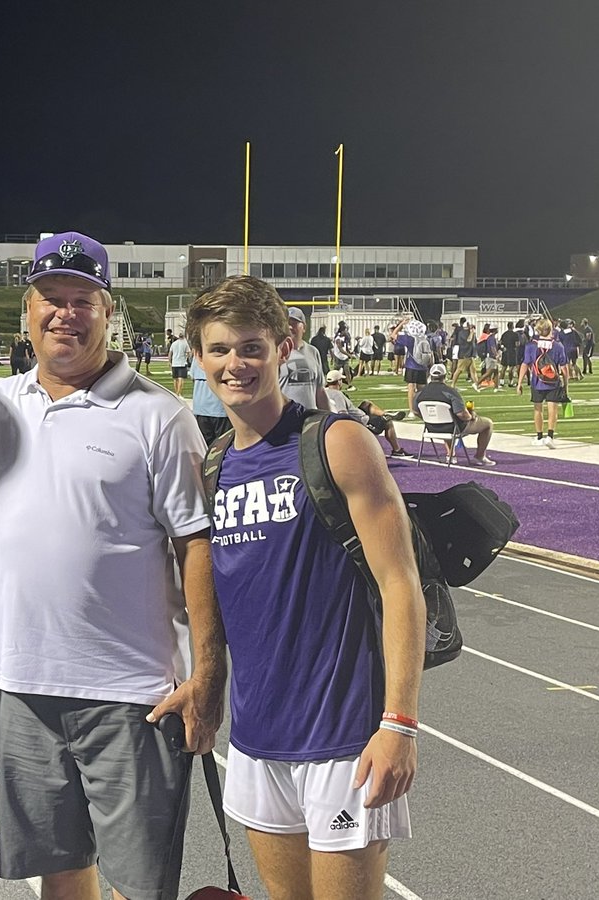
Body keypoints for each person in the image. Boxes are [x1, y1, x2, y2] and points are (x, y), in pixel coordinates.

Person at [0, 231, 219, 900]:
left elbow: (196, 545)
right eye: (51, 298)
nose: (66, 314)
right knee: (60, 872)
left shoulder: (160, 416)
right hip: (25, 683)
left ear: (109, 311)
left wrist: (209, 672)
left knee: (139, 885)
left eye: (83, 300)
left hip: (134, 691)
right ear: (27, 310)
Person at [184, 275, 425, 900]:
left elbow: (400, 584)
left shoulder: (336, 442)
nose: (235, 365)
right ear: (198, 357)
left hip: (342, 737)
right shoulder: (215, 464)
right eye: (219, 349)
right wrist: (206, 679)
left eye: (251, 348)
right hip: (257, 739)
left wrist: (400, 723)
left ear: (284, 348)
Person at [415, 363, 496, 466]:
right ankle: (479, 457)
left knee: (446, 419)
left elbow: (415, 411)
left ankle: (450, 454)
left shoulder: (420, 393)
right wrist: (471, 416)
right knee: (488, 424)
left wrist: (429, 419)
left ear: (431, 376)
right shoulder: (450, 392)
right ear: (445, 376)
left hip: (431, 428)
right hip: (452, 428)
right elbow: (462, 414)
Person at [324, 370, 414, 459]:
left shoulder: (324, 392)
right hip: (360, 421)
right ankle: (397, 450)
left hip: (351, 417)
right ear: (339, 382)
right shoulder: (338, 395)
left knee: (366, 404)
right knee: (388, 422)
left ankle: (385, 414)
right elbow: (343, 414)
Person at [517, 318, 569, 449]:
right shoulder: (558, 346)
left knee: (538, 409)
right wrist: (566, 384)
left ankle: (539, 436)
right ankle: (550, 436)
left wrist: (519, 383)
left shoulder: (531, 346)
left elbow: (525, 364)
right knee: (553, 410)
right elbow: (564, 368)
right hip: (553, 382)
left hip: (537, 381)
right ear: (551, 329)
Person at [280, 307, 331, 410]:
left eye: (294, 323)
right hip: (285, 415)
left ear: (304, 327)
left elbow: (319, 391)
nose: (290, 327)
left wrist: (328, 415)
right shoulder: (277, 352)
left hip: (309, 415)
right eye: (287, 323)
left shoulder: (313, 352)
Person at [190, 355, 231, 446]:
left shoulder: (198, 358)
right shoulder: (223, 357)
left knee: (204, 447)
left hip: (201, 408)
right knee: (224, 447)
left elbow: (192, 377)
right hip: (220, 409)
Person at [169, 329, 192, 395]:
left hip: (174, 363)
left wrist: (169, 361)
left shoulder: (174, 343)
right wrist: (188, 358)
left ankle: (176, 392)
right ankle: (178, 393)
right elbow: (189, 353)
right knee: (180, 378)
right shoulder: (185, 343)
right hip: (182, 363)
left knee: (175, 379)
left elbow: (170, 353)